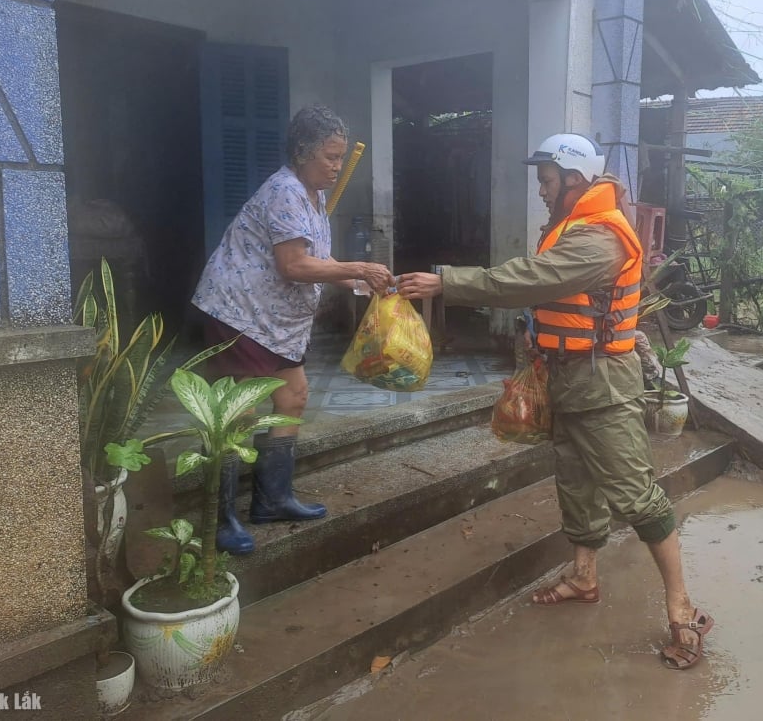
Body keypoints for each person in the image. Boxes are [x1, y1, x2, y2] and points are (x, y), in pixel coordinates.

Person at [397, 133, 713, 669]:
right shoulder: (575, 228)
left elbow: (531, 278)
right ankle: (585, 576)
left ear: (574, 180)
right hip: (567, 377)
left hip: (605, 387)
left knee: (635, 496)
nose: (540, 191)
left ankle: (682, 607)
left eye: (545, 181)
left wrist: (447, 282)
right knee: (577, 483)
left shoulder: (600, 239)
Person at [192, 104, 394, 555]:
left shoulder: (314, 195)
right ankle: (219, 518)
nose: (337, 167)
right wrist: (357, 265)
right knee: (240, 412)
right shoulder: (284, 191)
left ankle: (272, 498)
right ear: (303, 152)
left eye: (341, 158)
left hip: (276, 321)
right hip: (240, 313)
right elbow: (293, 265)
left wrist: (356, 280)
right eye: (330, 157)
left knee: (292, 397)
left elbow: (315, 261)